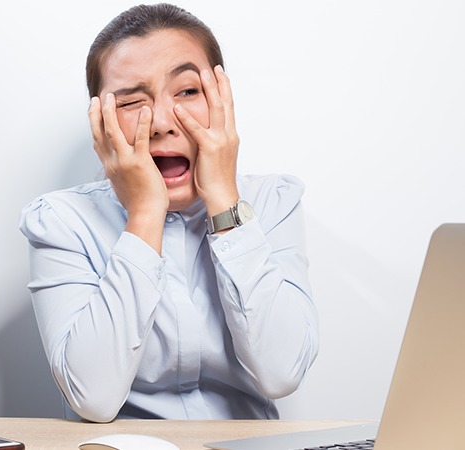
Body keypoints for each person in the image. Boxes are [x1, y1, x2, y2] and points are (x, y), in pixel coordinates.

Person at [19, 3, 318, 423]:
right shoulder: (62, 221)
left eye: (187, 91)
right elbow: (93, 398)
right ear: (100, 123)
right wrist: (144, 214)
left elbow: (282, 373)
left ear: (222, 98)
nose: (161, 122)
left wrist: (224, 203)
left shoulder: (272, 202)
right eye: (130, 102)